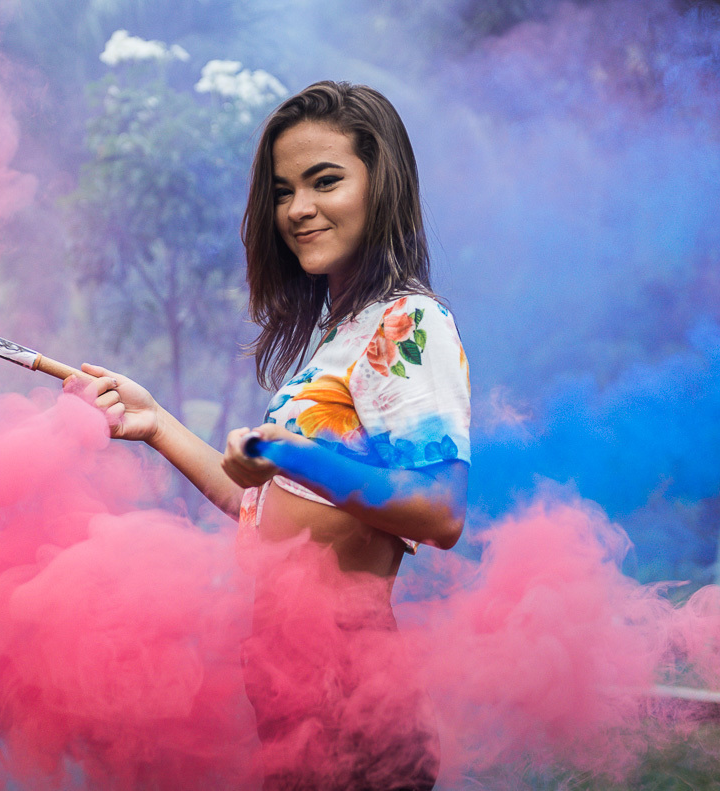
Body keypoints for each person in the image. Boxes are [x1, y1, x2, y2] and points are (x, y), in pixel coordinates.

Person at [65, 81, 469, 791]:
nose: (298, 209)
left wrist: (287, 450)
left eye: (325, 181)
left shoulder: (406, 324)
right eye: (283, 191)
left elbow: (440, 508)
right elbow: (271, 509)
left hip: (353, 701)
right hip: (291, 692)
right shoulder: (341, 337)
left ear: (384, 187)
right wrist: (156, 422)